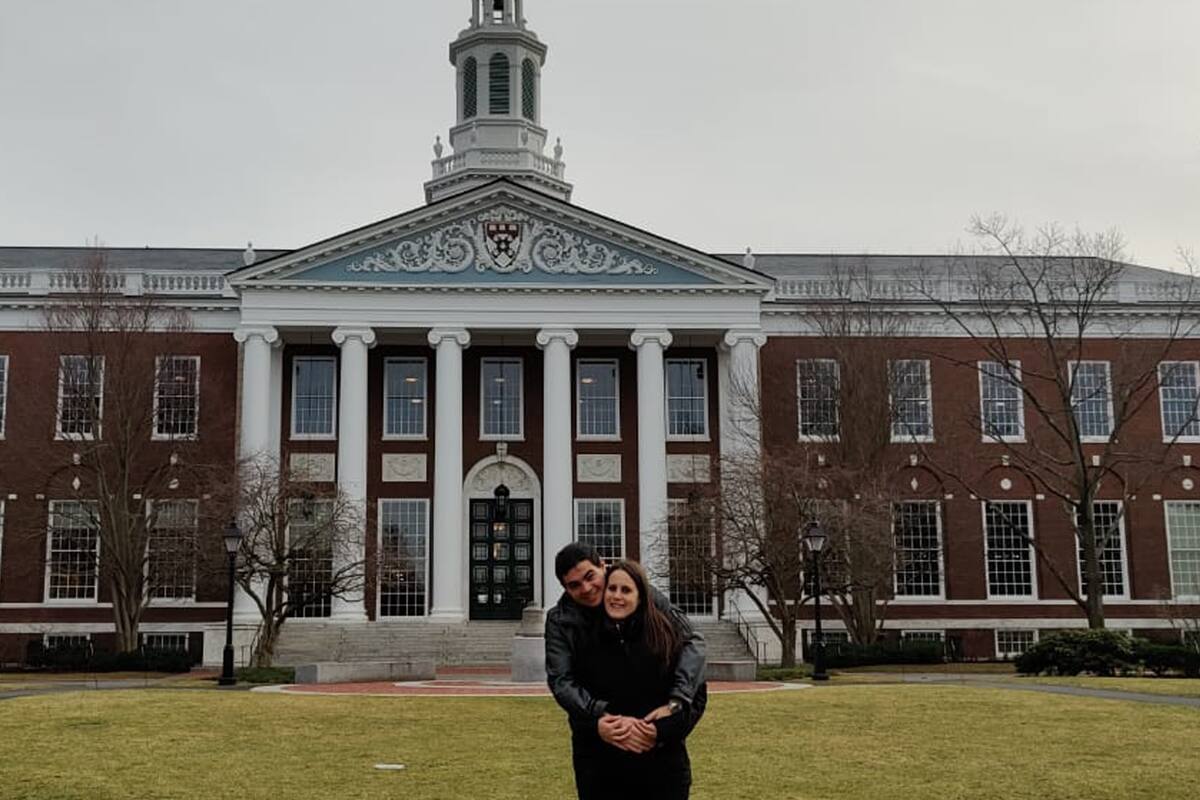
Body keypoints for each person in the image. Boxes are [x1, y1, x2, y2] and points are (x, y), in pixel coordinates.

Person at [545, 543, 707, 800]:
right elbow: (562, 681)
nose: (587, 589)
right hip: (599, 763)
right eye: (574, 585)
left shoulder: (654, 621)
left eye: (590, 576)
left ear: (603, 566)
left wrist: (671, 711)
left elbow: (693, 647)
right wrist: (600, 718)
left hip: (661, 763)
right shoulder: (563, 622)